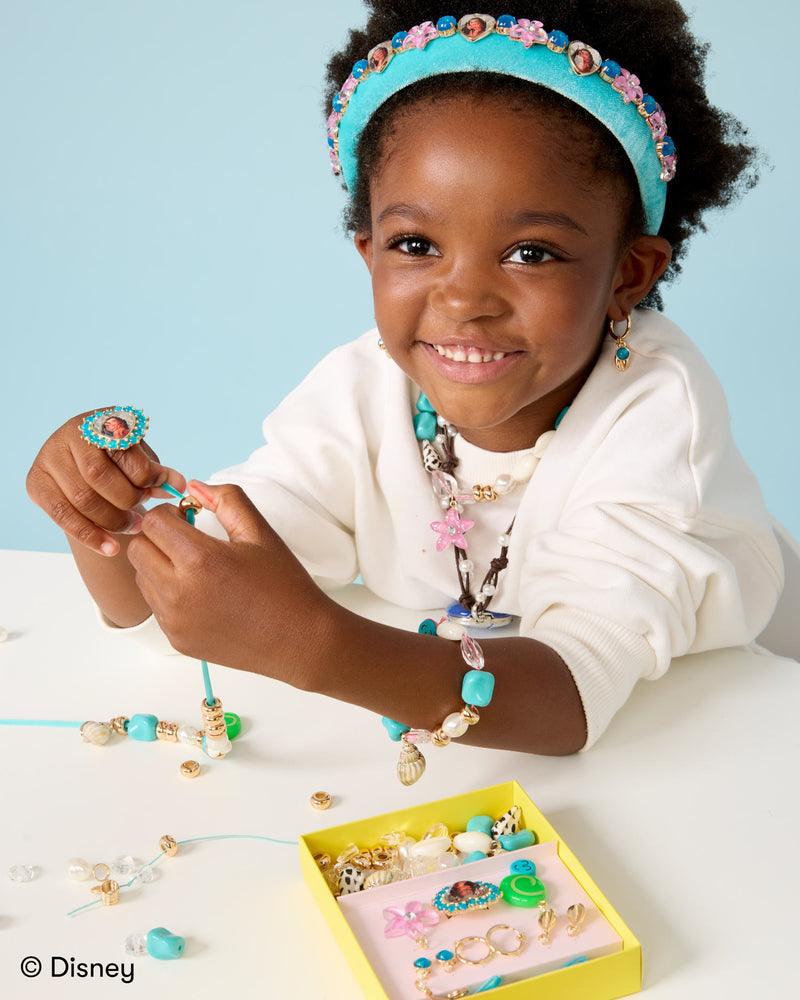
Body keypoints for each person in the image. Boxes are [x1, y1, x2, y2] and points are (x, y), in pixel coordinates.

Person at [26, 2, 785, 761]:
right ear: (369, 254)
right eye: (417, 244)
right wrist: (104, 516)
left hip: (734, 729)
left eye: (531, 253)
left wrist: (312, 642)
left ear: (628, 275)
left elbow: (571, 696)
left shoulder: (657, 414)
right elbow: (195, 606)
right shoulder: (364, 388)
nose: (464, 300)